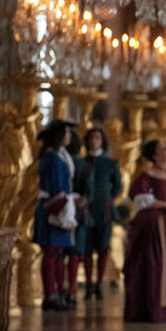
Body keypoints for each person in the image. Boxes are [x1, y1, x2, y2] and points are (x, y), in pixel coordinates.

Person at [124, 140, 166, 322]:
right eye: (163, 148)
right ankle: (154, 307)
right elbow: (140, 197)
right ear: (155, 155)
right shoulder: (147, 175)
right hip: (155, 224)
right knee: (155, 263)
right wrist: (164, 205)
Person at [33, 120, 78, 311]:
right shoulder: (52, 158)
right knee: (51, 252)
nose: (70, 136)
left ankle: (58, 292)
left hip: (60, 205)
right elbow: (56, 188)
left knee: (58, 252)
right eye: (67, 132)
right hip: (54, 208)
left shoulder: (59, 156)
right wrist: (65, 213)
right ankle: (50, 294)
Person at [81, 127, 122, 301]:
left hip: (104, 211)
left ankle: (99, 283)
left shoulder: (110, 163)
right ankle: (89, 283)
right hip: (87, 210)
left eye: (97, 138)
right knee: (87, 248)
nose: (94, 141)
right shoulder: (83, 162)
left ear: (102, 141)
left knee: (103, 247)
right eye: (91, 138)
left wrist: (108, 199)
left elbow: (118, 186)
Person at [62, 131, 89, 308]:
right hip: (77, 211)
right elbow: (89, 191)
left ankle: (61, 290)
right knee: (74, 252)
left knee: (59, 253)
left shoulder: (66, 161)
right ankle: (71, 291)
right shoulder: (83, 165)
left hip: (63, 208)